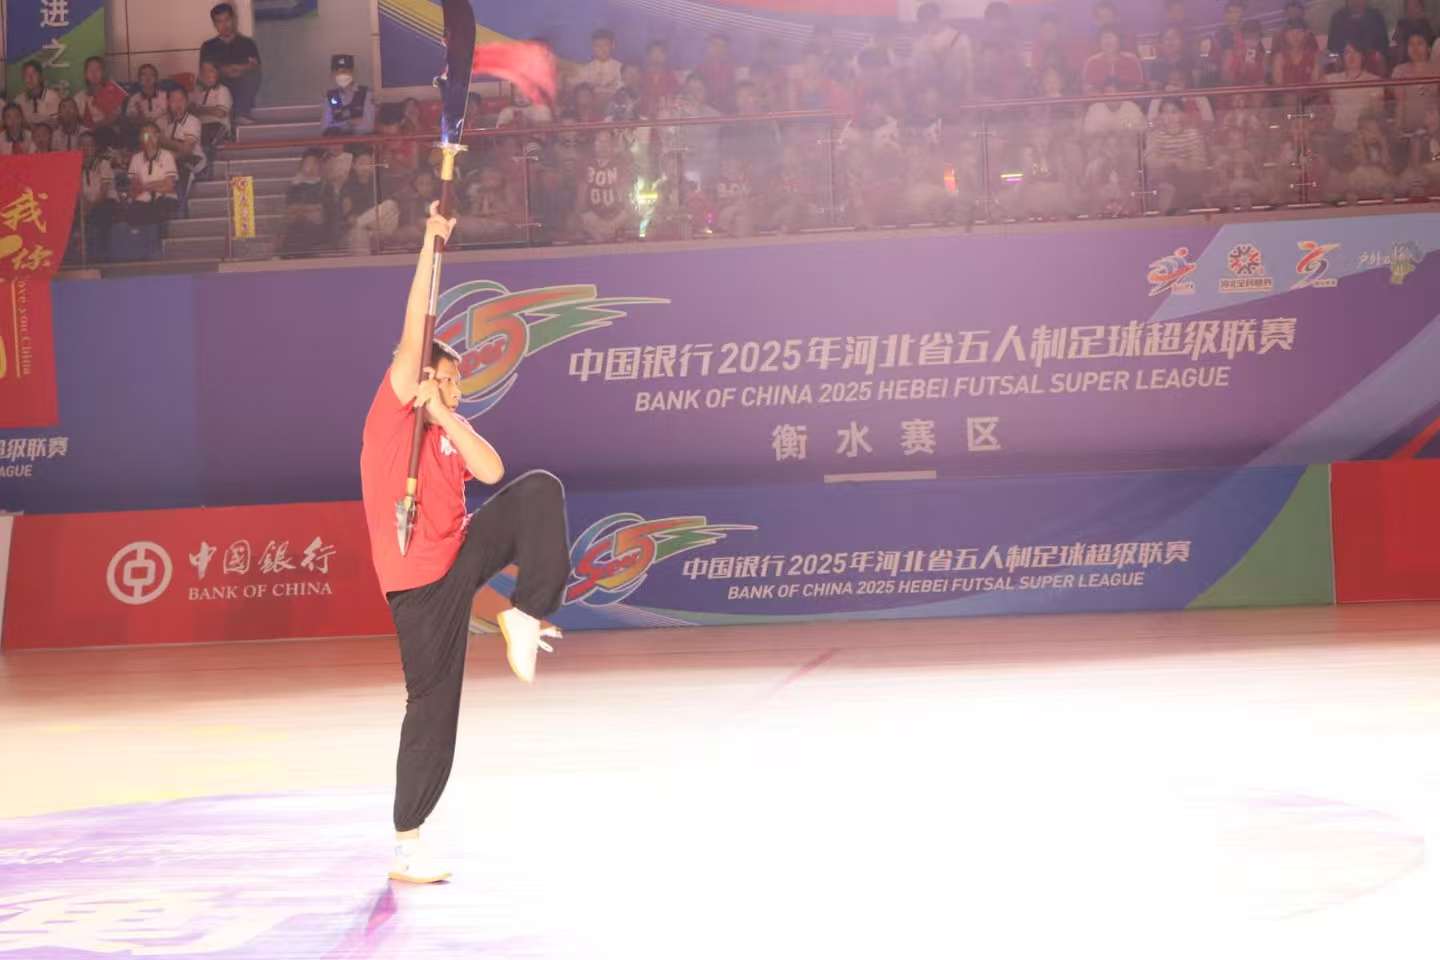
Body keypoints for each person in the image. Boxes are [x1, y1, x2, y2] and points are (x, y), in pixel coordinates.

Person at [360, 204, 569, 884]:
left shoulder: (447, 428)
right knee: (433, 709)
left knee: (538, 491)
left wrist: (444, 413)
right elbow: (414, 323)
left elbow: (494, 471)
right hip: (419, 593)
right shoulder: (392, 418)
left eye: (457, 381)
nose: (456, 384)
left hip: (459, 560)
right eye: (446, 376)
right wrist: (430, 241)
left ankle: (526, 613)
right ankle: (407, 841)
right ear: (420, 374)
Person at [200, 3, 262, 125]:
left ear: (233, 19)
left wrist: (238, 68)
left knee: (251, 74)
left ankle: (240, 114)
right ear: (214, 24)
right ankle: (237, 113)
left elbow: (255, 66)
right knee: (215, 78)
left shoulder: (247, 43)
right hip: (219, 85)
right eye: (219, 21)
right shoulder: (208, 46)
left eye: (227, 20)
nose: (225, 25)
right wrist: (226, 70)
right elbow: (206, 72)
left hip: (242, 82)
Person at [576, 129, 635, 242]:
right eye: (599, 141)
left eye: (606, 141)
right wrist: (591, 222)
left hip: (617, 220)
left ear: (612, 144)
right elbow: (581, 200)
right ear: (594, 144)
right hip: (591, 219)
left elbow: (626, 200)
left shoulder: (621, 164)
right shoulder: (585, 164)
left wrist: (614, 224)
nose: (603, 145)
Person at [125, 123, 180, 225]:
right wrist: (160, 183)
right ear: (141, 137)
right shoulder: (136, 158)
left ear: (158, 136)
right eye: (146, 135)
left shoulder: (167, 155)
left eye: (153, 135)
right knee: (132, 214)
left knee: (159, 211)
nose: (149, 139)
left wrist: (146, 186)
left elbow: (169, 186)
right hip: (142, 201)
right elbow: (135, 187)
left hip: (164, 199)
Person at [78, 132, 120, 259]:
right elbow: (78, 191)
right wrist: (84, 204)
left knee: (102, 212)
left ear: (95, 147)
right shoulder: (75, 166)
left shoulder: (103, 164)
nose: (86, 148)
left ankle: (102, 253)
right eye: (82, 145)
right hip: (86, 204)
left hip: (105, 201)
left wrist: (90, 207)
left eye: (89, 145)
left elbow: (104, 191)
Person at [159, 85, 205, 197]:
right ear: (168, 103)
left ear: (187, 102)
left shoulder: (192, 121)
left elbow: (187, 150)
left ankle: (178, 203)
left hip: (192, 162)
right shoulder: (163, 121)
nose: (178, 104)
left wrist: (163, 141)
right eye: (173, 101)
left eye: (181, 100)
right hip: (170, 163)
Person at [74, 56, 127, 145]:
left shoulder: (113, 92)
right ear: (85, 74)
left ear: (103, 73)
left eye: (97, 70)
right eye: (90, 70)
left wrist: (94, 127)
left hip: (109, 137)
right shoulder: (78, 97)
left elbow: (114, 118)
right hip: (85, 140)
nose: (94, 73)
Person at [1327, 0, 1390, 72]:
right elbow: (1331, 50)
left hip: (1371, 67)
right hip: (1345, 70)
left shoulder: (1376, 17)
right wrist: (1335, 59)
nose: (1356, 2)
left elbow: (1384, 48)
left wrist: (1379, 58)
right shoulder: (1337, 18)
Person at [322, 53, 376, 137]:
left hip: (361, 141)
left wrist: (339, 122)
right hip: (338, 142)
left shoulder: (366, 93)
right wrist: (349, 122)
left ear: (353, 73)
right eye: (337, 72)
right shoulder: (330, 96)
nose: (341, 75)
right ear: (332, 74)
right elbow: (325, 127)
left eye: (345, 71)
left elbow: (368, 126)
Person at [1082, 28, 1144, 94]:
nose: (1108, 41)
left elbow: (1139, 86)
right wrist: (1102, 93)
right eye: (1104, 38)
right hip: (1100, 99)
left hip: (1127, 98)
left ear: (1119, 41)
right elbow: (1086, 87)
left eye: (1110, 38)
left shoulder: (1131, 60)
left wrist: (1119, 92)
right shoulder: (1092, 62)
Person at [191, 60, 234, 152]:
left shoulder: (222, 90)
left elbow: (220, 113)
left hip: (217, 127)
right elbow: (190, 110)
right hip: (199, 128)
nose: (207, 74)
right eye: (204, 71)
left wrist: (198, 109)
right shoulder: (197, 92)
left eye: (211, 70)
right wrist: (209, 110)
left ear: (217, 73)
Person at [572, 28, 623, 102]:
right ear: (592, 47)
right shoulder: (586, 69)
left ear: (613, 45)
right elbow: (578, 89)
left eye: (605, 45)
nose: (602, 49)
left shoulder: (620, 68)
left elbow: (622, 91)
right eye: (597, 46)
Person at [125, 64, 168, 139]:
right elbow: (130, 119)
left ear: (156, 79)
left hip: (164, 134)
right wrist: (141, 119)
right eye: (144, 74)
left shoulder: (165, 96)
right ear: (139, 79)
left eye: (151, 74)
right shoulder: (134, 99)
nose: (148, 78)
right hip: (142, 134)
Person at [16, 61, 61, 129]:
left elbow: (56, 124)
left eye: (34, 73)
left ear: (40, 76)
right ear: (23, 78)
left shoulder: (53, 97)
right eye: (26, 75)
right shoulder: (18, 101)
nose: (30, 78)